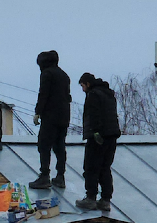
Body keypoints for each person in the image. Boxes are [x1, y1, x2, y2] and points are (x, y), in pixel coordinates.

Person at [76, 73, 121, 213]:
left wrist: (95, 131)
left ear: (87, 84)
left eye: (83, 86)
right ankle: (106, 200)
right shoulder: (109, 94)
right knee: (105, 168)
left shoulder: (93, 95)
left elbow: (94, 114)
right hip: (112, 137)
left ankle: (91, 198)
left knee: (91, 167)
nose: (83, 89)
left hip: (98, 137)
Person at [28, 51, 71, 190]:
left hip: (50, 116)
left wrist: (38, 112)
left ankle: (44, 175)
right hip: (64, 116)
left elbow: (44, 94)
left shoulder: (47, 74)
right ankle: (60, 176)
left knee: (44, 144)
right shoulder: (64, 75)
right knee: (59, 146)